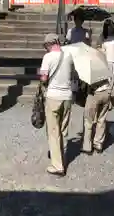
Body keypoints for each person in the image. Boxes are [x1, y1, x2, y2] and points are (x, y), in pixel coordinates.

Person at [39, 33, 74, 177]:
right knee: (63, 129)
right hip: (67, 96)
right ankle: (62, 156)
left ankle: (57, 165)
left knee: (53, 131)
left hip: (53, 96)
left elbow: (44, 77)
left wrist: (40, 73)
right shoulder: (68, 56)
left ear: (48, 44)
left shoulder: (47, 57)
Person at [81, 77, 111, 154]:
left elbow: (84, 84)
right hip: (106, 92)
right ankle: (98, 143)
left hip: (94, 93)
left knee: (88, 119)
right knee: (102, 119)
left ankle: (87, 146)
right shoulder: (105, 67)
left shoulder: (90, 70)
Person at [99, 18, 114, 107]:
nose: (110, 29)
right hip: (108, 61)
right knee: (109, 81)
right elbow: (101, 48)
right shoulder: (103, 37)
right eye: (108, 27)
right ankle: (108, 100)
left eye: (111, 27)